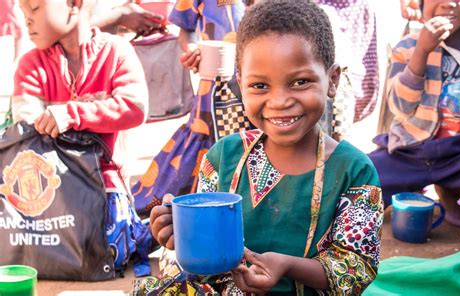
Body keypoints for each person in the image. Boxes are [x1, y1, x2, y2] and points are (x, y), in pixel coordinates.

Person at [149, 1, 384, 294]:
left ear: (332, 80)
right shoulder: (222, 158)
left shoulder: (354, 170)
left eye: (300, 82)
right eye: (260, 86)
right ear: (240, 84)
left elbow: (356, 268)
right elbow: (203, 264)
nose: (279, 101)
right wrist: (181, 235)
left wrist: (288, 265)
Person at [13, 0, 152, 275]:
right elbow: (28, 129)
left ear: (74, 4)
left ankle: (144, 231)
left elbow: (134, 108)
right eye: (23, 11)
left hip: (105, 187)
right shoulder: (30, 65)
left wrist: (71, 114)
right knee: (25, 250)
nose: (26, 20)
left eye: (35, 8)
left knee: (107, 250)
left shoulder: (116, 52)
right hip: (52, 192)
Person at [131, 0, 246, 215]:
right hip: (212, 94)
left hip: (263, 94)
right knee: (201, 160)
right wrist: (192, 49)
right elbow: (186, 29)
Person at [368, 0, 460, 227]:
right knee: (361, 180)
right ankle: (431, 185)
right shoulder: (407, 46)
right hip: (411, 151)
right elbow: (400, 107)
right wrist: (422, 50)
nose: (450, 3)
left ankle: (450, 191)